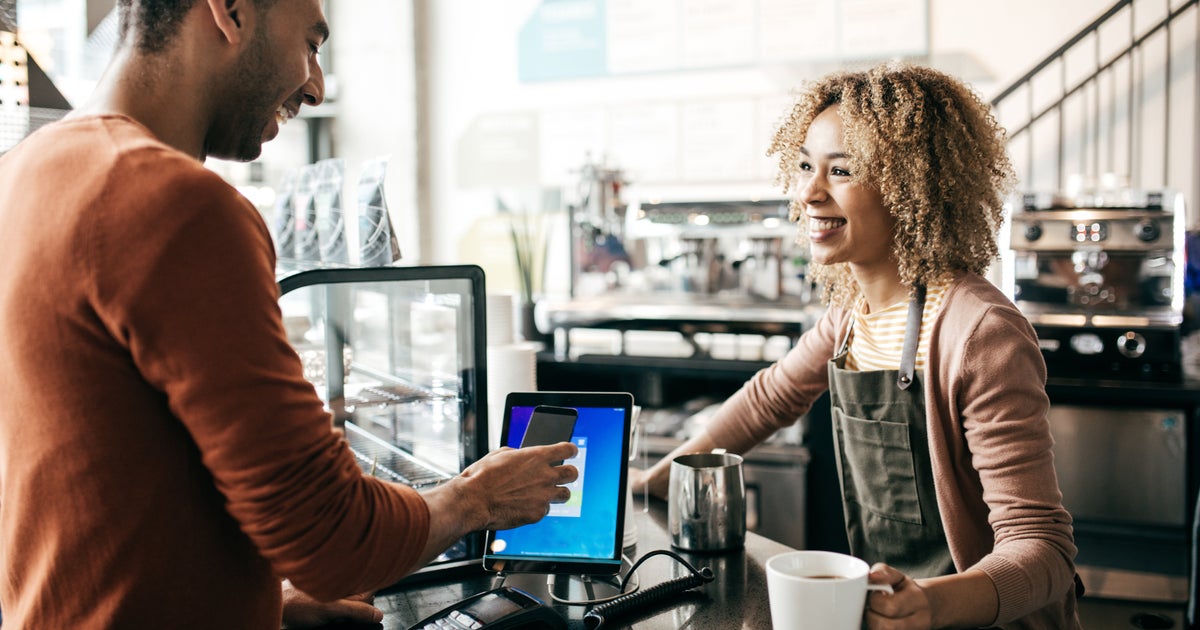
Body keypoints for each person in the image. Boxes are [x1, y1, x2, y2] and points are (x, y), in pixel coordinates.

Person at [0, 1, 578, 628]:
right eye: (310, 42)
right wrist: (477, 498)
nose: (316, 84)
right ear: (230, 11)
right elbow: (333, 538)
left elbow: (98, 477)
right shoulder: (175, 202)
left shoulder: (26, 171)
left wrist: (259, 605)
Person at [630, 62, 1081, 629]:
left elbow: (1043, 548)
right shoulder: (852, 317)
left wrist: (933, 603)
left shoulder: (979, 332)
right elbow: (769, 398)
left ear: (913, 185)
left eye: (841, 171)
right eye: (803, 168)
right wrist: (656, 480)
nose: (809, 193)